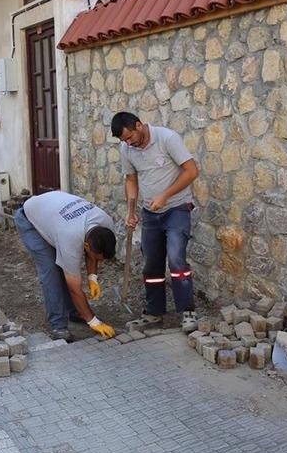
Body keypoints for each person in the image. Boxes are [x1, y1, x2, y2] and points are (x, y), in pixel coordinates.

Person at [111, 111, 200, 329]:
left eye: (129, 137)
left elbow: (191, 171)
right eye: (124, 141)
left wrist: (165, 195)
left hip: (177, 208)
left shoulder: (167, 138)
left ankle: (187, 312)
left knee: (177, 259)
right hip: (150, 213)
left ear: (139, 126)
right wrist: (131, 211)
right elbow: (131, 180)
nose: (128, 144)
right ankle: (154, 313)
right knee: (151, 264)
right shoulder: (127, 149)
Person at [14, 191, 118, 341]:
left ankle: (76, 312)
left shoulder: (105, 224)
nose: (98, 261)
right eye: (97, 258)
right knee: (52, 271)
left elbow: (92, 254)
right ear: (86, 245)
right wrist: (94, 322)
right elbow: (74, 288)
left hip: (54, 215)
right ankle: (58, 325)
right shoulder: (70, 238)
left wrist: (92, 278)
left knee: (66, 267)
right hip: (30, 220)